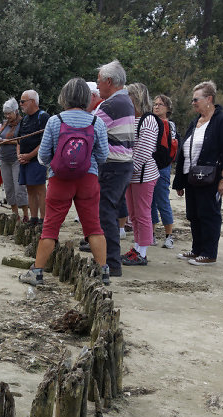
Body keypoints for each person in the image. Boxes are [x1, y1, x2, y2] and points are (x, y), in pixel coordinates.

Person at [19, 77, 110, 287]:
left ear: (64, 96)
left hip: (60, 180)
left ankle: (37, 272)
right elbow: (103, 155)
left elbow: (43, 156)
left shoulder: (55, 121)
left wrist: (56, 165)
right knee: (94, 226)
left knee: (50, 227)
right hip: (88, 178)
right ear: (87, 97)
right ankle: (103, 271)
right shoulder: (97, 122)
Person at [172, 80, 223, 265]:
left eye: (196, 99)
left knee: (209, 214)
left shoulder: (222, 120)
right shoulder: (195, 122)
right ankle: (197, 249)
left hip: (211, 177)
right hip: (192, 176)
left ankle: (209, 253)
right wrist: (180, 181)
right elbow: (185, 151)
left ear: (209, 99)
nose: (193, 103)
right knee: (194, 214)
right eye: (192, 100)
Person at [92, 60, 134, 275]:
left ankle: (110, 263)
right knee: (110, 211)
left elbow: (89, 129)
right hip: (123, 165)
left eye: (99, 82)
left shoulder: (111, 105)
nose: (97, 86)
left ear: (109, 81)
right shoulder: (124, 100)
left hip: (113, 166)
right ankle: (109, 260)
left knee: (105, 213)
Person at [122, 83, 159, 266]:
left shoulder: (148, 120)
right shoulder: (132, 118)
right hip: (132, 175)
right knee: (133, 214)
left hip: (143, 175)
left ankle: (142, 252)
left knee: (143, 214)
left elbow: (144, 151)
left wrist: (129, 170)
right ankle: (137, 247)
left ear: (135, 97)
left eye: (128, 95)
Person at [17, 89, 49, 226]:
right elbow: (19, 139)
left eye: (23, 101)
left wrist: (30, 156)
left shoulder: (43, 117)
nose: (21, 104)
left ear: (33, 101)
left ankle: (44, 219)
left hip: (37, 160)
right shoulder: (24, 119)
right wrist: (19, 155)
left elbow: (45, 141)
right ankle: (33, 218)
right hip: (24, 160)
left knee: (40, 190)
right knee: (30, 189)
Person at [150, 94, 177, 248]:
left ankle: (169, 235)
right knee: (150, 202)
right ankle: (151, 234)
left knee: (162, 200)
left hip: (163, 167)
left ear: (168, 108)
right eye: (155, 103)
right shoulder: (150, 122)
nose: (157, 106)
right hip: (150, 165)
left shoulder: (170, 125)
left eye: (160, 104)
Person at [0, 98, 29, 222]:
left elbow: (23, 140)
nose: (7, 116)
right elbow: (0, 136)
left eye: (9, 113)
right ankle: (15, 215)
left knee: (19, 188)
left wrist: (7, 141)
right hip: (4, 159)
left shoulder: (23, 123)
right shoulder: (5, 123)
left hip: (16, 159)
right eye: (5, 114)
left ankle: (26, 214)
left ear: (16, 111)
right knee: (9, 188)